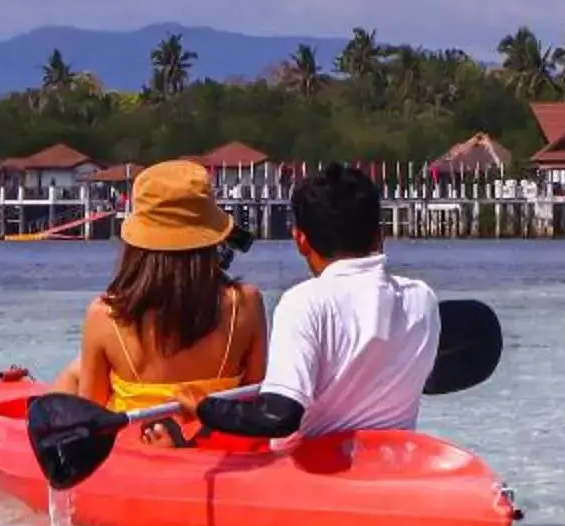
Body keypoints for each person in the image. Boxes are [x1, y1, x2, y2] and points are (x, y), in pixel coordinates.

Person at [197, 161, 437, 440]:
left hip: (319, 471)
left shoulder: (303, 302)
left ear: (300, 241)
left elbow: (278, 417)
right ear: (379, 235)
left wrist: (203, 407)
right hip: (394, 461)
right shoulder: (422, 297)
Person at [54, 159, 265, 423]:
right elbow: (254, 400)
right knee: (76, 369)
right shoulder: (246, 303)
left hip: (138, 449)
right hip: (218, 441)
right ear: (211, 236)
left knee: (75, 372)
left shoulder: (105, 315)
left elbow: (93, 419)